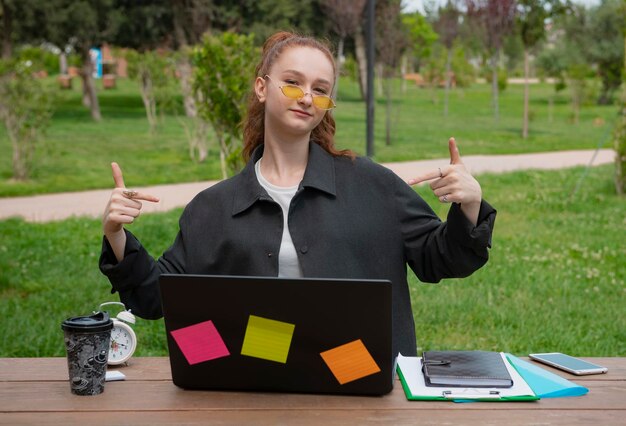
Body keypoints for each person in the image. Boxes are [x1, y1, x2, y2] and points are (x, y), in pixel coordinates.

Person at [100, 31, 496, 358]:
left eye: (320, 89)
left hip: (356, 366)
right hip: (255, 370)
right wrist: (117, 235)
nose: (307, 97)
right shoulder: (212, 207)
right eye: (293, 82)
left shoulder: (374, 185)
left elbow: (443, 259)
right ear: (262, 87)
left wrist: (470, 204)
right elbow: (157, 299)